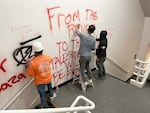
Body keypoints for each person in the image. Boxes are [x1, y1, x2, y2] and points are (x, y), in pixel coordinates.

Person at [25, 41, 56, 108]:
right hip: (48, 78)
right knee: (50, 88)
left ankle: (46, 107)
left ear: (34, 51)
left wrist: (27, 67)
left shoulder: (32, 63)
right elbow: (49, 65)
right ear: (42, 50)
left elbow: (31, 75)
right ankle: (51, 96)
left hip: (40, 82)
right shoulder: (48, 57)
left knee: (42, 95)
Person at [74, 24, 96, 92]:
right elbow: (93, 48)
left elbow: (77, 31)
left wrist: (77, 27)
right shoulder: (93, 39)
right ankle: (90, 79)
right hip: (89, 56)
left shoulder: (83, 35)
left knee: (82, 69)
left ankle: (84, 81)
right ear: (93, 31)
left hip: (83, 56)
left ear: (87, 29)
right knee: (88, 67)